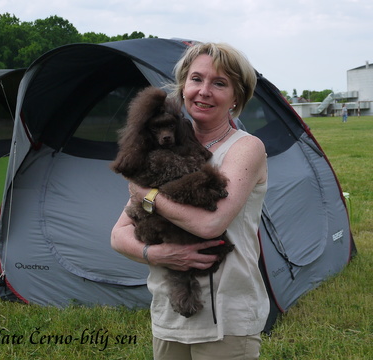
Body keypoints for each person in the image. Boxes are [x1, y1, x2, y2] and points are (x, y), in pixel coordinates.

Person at [111, 42, 269, 360]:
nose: (204, 91)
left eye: (219, 83)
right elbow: (118, 235)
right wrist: (157, 253)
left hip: (226, 316)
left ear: (236, 98)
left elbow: (210, 224)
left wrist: (148, 195)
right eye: (196, 79)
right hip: (169, 313)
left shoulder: (245, 148)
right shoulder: (161, 148)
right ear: (183, 88)